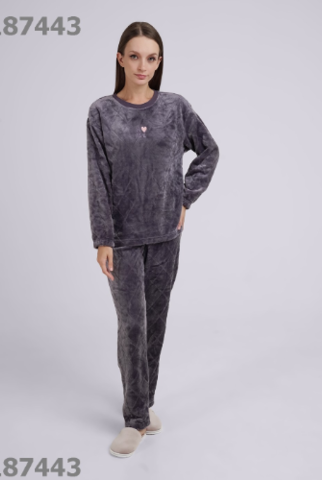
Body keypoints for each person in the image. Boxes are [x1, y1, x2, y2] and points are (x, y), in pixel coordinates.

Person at [86, 21, 220, 458]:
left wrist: (185, 197)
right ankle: (135, 419)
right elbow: (98, 179)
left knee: (155, 325)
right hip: (122, 239)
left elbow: (209, 150)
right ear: (121, 59)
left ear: (159, 62)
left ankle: (142, 405)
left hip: (165, 236)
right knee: (132, 325)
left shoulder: (175, 108)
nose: (142, 65)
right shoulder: (102, 113)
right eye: (135, 56)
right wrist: (102, 238)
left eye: (151, 58)